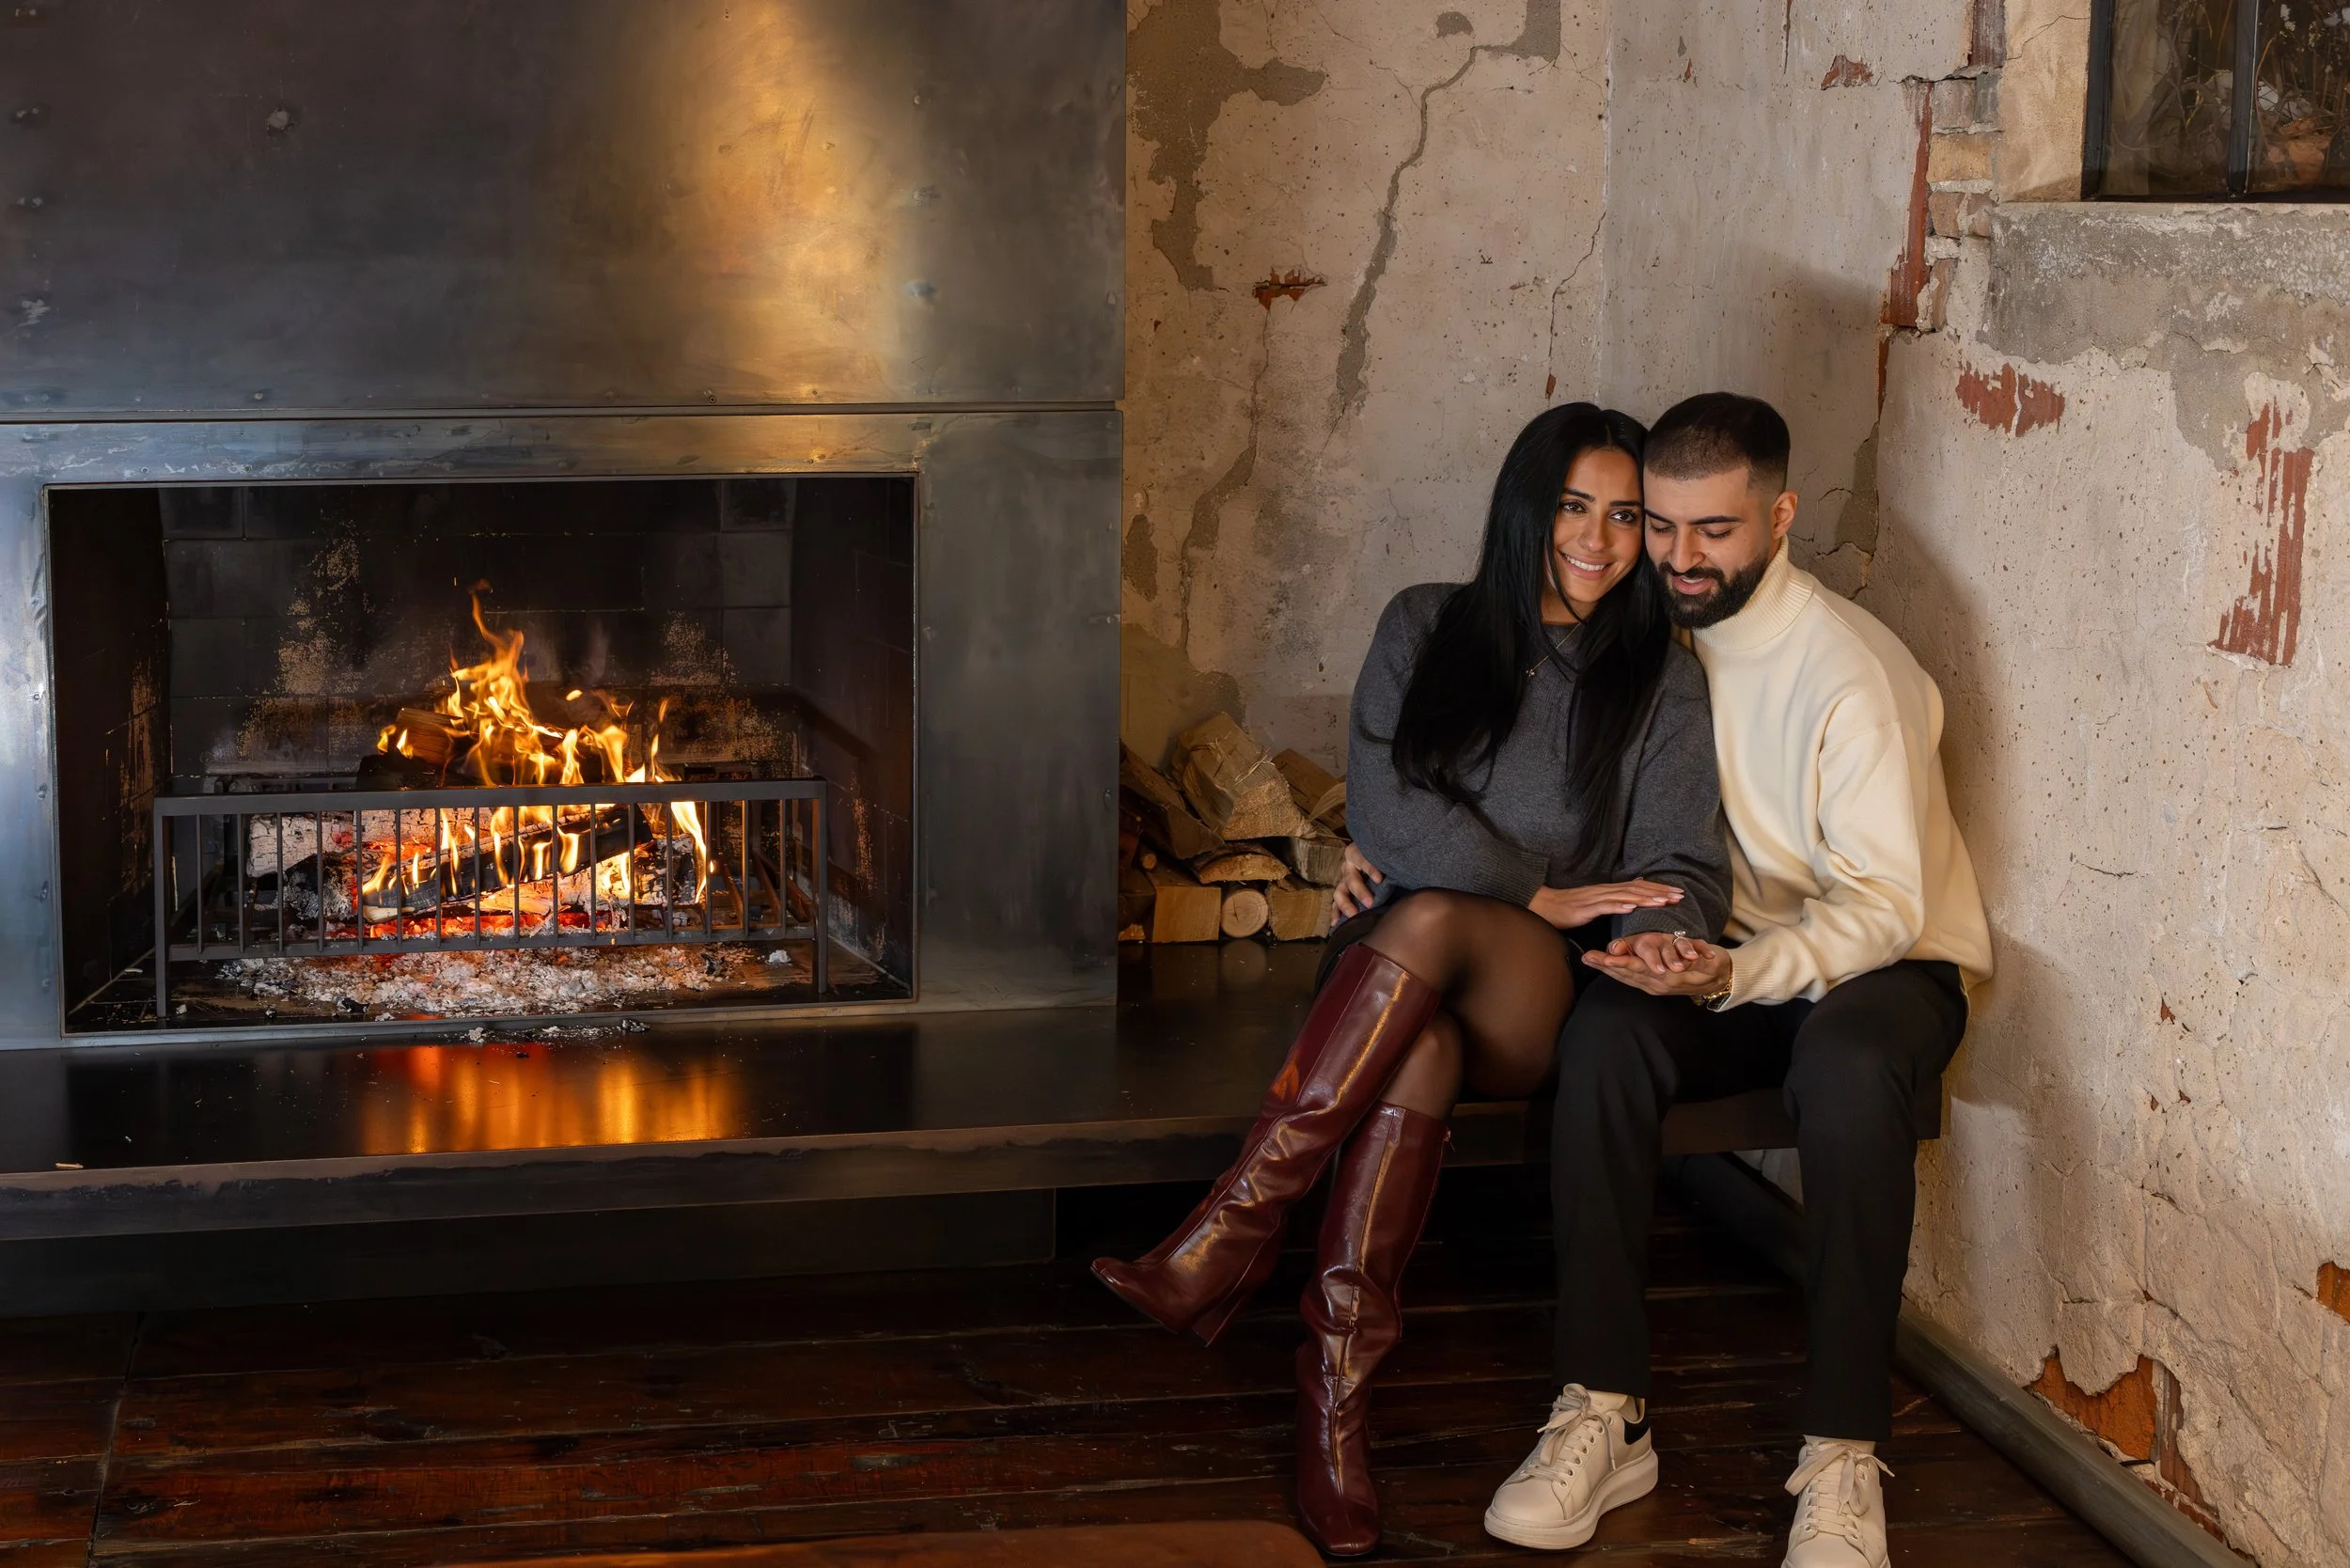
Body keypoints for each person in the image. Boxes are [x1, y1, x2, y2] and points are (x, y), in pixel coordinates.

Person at [1093, 403, 1731, 1557]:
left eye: (1626, 515)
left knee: (1435, 916)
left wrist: (1626, 925)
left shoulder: (1658, 682)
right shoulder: (1424, 625)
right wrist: (1535, 880)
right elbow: (1387, 810)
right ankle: (1331, 1406)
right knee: (1420, 1032)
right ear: (1525, 508)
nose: (1597, 538)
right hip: (1397, 972)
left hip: (1533, 993)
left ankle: (1226, 1236)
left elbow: (1682, 864)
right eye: (1575, 507)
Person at [1440, 393, 1993, 1567]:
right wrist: (1387, 859)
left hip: (1877, 968)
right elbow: (1505, 763)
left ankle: (1842, 1457)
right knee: (1603, 1038)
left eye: (1715, 533)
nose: (1679, 559)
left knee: (1846, 1070)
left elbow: (1887, 904)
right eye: (1663, 526)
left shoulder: (1852, 673)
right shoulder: (1640, 630)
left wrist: (1735, 969)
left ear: (1781, 516)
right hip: (1713, 958)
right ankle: (1604, 1408)